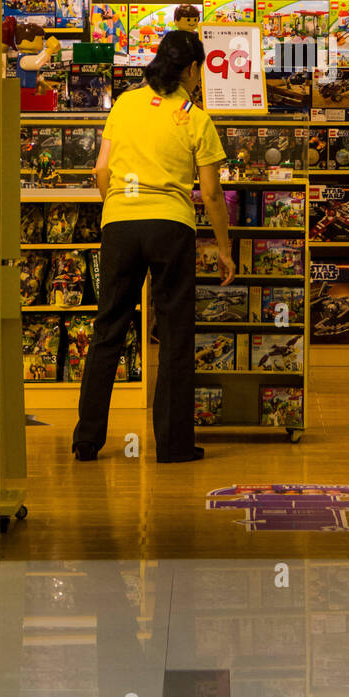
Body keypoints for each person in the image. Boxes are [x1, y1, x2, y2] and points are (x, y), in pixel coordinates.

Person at [72, 30, 236, 464]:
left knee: (108, 330)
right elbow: (212, 193)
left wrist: (122, 207)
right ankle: (173, 444)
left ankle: (86, 439)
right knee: (176, 335)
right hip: (170, 226)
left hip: (120, 225)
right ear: (190, 69)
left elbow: (101, 171)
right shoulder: (194, 116)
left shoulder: (125, 103)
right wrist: (223, 247)